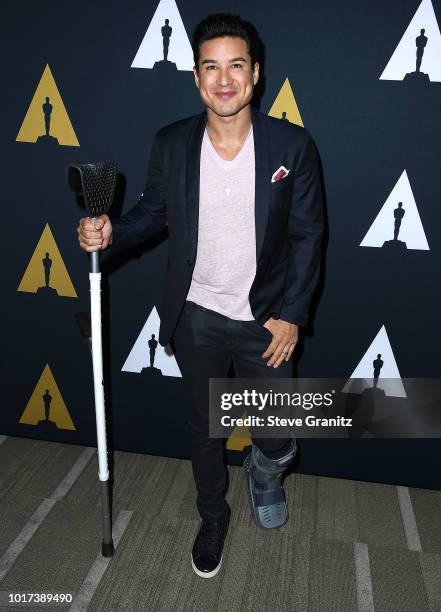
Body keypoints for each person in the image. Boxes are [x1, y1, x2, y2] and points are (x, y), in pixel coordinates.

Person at [77, 13, 324, 578]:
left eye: (236, 65)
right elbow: (151, 214)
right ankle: (212, 515)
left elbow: (309, 235)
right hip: (197, 317)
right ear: (196, 77)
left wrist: (291, 315)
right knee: (205, 428)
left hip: (266, 322)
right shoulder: (171, 143)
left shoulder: (293, 145)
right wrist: (111, 232)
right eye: (211, 67)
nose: (224, 79)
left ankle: (263, 472)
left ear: (255, 74)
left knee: (277, 433)